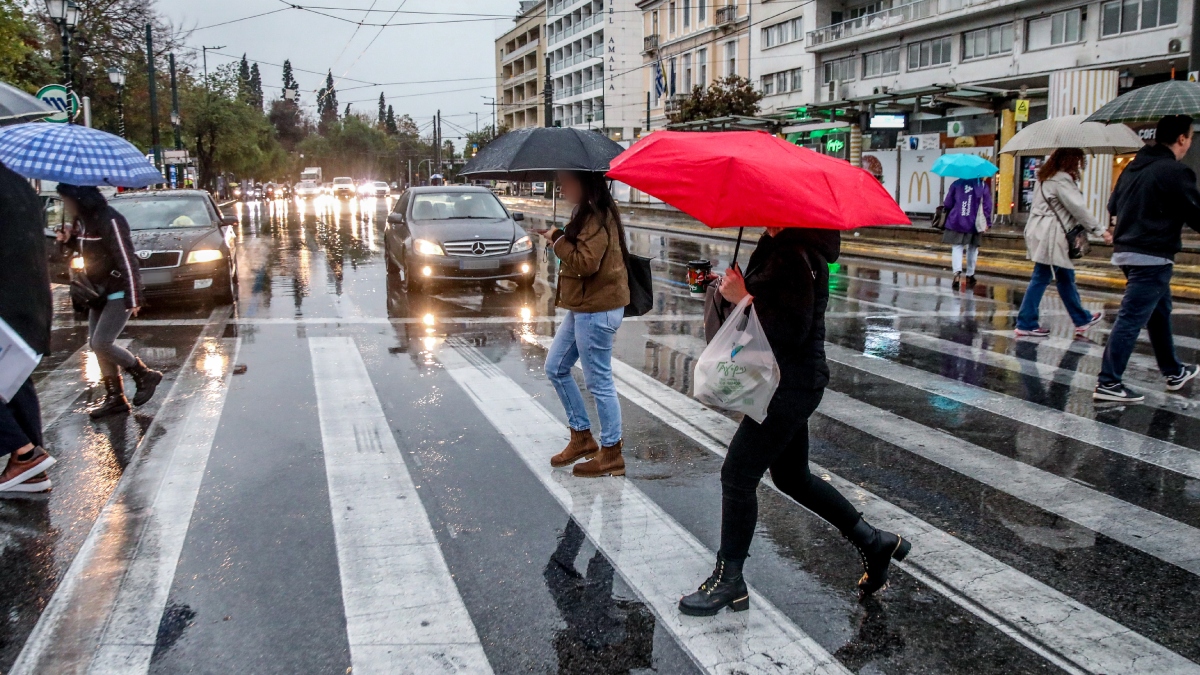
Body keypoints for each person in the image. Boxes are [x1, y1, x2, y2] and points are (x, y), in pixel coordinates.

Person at [678, 228, 909, 617]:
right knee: (791, 476)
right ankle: (874, 542)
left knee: (737, 475)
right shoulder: (780, 246)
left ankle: (729, 580)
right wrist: (731, 288)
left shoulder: (793, 256)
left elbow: (789, 332)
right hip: (789, 382)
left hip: (789, 386)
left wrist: (743, 299)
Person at [1095, 115, 1200, 403]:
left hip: (1127, 251)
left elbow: (1112, 204)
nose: (1189, 142)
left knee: (1159, 311)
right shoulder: (1174, 172)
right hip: (1152, 254)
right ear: (1181, 139)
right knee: (1131, 318)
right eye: (1190, 136)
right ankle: (1108, 382)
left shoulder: (1133, 167)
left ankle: (1174, 371)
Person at [540, 171, 630, 478]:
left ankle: (611, 453)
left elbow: (585, 263)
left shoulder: (596, 216)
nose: (561, 187)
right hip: (583, 307)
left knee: (599, 382)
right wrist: (562, 236)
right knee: (555, 367)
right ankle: (581, 436)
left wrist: (558, 241)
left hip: (597, 310)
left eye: (566, 181)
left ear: (584, 183)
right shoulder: (586, 213)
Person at [56, 184, 163, 418]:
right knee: (95, 345)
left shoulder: (111, 220)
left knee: (102, 342)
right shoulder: (84, 222)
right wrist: (70, 240)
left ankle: (144, 374)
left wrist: (134, 296)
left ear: (80, 199)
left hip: (117, 291)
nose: (66, 205)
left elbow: (126, 258)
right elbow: (94, 253)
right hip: (97, 292)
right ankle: (116, 398)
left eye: (67, 200)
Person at [0, 160, 56, 492]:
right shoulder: (18, 184)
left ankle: (25, 453)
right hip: (30, 303)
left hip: (4, 301)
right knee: (15, 381)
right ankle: (30, 470)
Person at [1015, 148, 1111, 337]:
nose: (1079, 165)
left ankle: (1081, 318)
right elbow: (1078, 209)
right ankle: (1026, 322)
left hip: (1040, 230)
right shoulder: (1061, 180)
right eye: (1077, 161)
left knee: (1064, 276)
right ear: (1070, 161)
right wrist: (1100, 230)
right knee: (1043, 276)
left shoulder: (1045, 177)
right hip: (1052, 234)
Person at [941, 176, 992, 290]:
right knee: (973, 248)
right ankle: (970, 274)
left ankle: (957, 273)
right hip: (974, 223)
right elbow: (987, 206)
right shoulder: (982, 186)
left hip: (956, 221)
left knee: (957, 247)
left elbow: (948, 203)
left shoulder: (956, 184)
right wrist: (987, 222)